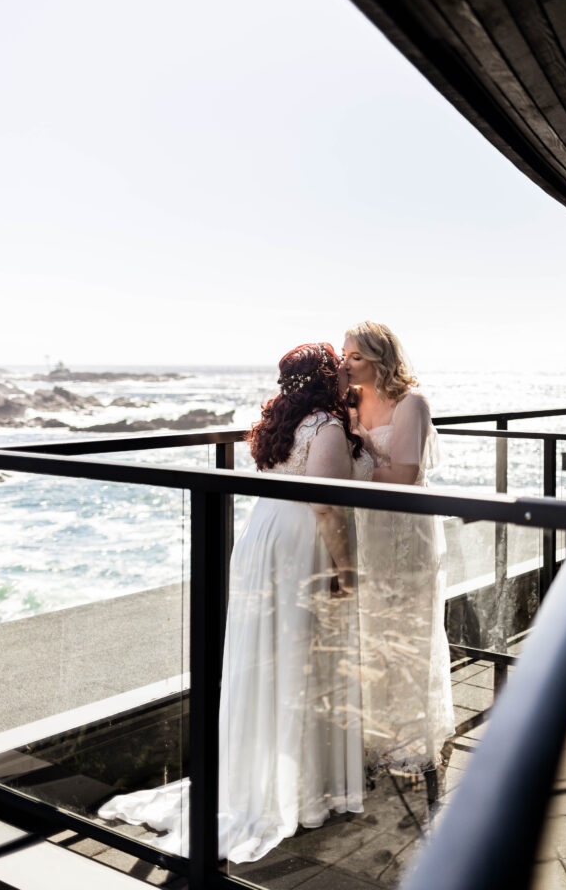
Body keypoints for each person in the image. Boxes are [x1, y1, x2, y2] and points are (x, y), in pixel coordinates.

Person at [99, 343, 372, 862]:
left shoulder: (284, 424)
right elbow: (327, 507)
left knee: (266, 659)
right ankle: (299, 790)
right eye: (337, 366)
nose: (344, 372)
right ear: (320, 378)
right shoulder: (327, 429)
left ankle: (263, 778)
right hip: (302, 543)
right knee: (304, 659)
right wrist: (347, 570)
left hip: (263, 533)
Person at [341, 321, 454, 776]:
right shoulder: (349, 399)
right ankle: (371, 734)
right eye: (344, 356)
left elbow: (404, 476)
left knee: (407, 627)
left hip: (406, 528)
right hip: (365, 527)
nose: (344, 365)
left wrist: (357, 454)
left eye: (355, 358)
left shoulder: (412, 403)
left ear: (379, 358)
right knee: (369, 627)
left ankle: (410, 736)